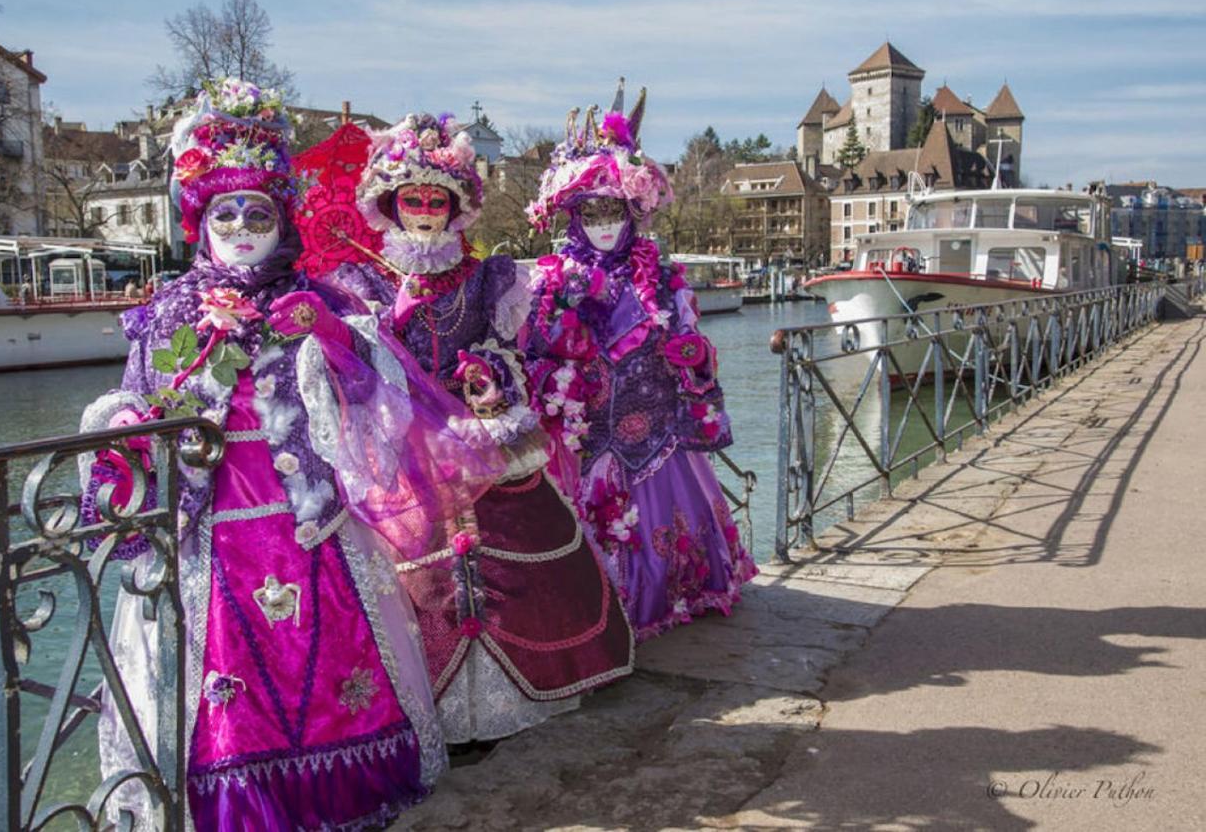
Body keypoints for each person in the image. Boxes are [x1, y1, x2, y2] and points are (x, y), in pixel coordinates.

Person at [76, 79, 487, 829]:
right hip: (212, 539)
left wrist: (329, 339)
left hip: (315, 530)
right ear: (198, 223)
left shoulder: (324, 300)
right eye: (224, 212)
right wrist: (140, 429)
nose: (239, 226)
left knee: (331, 673)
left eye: (256, 212)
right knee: (227, 690)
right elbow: (133, 411)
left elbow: (384, 405)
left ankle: (338, 786)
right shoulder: (168, 313)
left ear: (281, 220)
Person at [305, 112, 633, 744]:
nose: (425, 212)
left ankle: (521, 692)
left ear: (457, 208)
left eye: (437, 200)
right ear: (390, 206)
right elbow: (355, 368)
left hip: (482, 438)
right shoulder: (367, 284)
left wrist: (492, 375)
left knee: (518, 561)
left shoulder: (490, 277)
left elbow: (516, 348)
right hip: (407, 449)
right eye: (413, 200)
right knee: (416, 578)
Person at [523, 85, 758, 641]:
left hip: (656, 429)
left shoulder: (661, 275)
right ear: (573, 217)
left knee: (669, 524)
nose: (605, 224)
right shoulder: (555, 280)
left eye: (615, 211)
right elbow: (537, 349)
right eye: (592, 212)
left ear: (634, 212)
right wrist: (568, 327)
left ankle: (674, 593)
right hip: (591, 434)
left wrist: (692, 353)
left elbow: (693, 349)